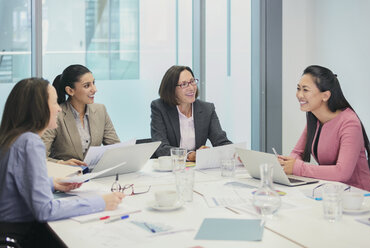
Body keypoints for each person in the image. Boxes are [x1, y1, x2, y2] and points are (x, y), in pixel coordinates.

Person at [0, 78, 125, 246]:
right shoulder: (30, 142)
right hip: (21, 235)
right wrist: (101, 202)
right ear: (39, 109)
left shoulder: (14, 137)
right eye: (54, 103)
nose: (59, 108)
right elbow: (45, 210)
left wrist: (52, 183)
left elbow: (16, 182)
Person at [278, 65, 370, 192]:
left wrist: (297, 168)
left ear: (325, 95)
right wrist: (287, 163)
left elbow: (342, 173)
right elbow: (297, 153)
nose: (299, 95)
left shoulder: (350, 123)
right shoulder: (314, 118)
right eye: (298, 89)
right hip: (332, 192)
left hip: (359, 196)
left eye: (305, 90)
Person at [42, 64, 120, 166]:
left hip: (94, 176)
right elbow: (39, 157)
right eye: (87, 85)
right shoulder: (56, 116)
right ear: (70, 91)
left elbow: (115, 148)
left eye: (93, 83)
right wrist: (62, 163)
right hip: (66, 177)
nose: (94, 89)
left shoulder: (100, 110)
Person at [151, 65, 232, 161]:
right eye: (184, 84)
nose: (191, 88)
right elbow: (161, 148)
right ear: (171, 89)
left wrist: (235, 153)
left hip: (196, 170)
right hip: (169, 169)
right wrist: (190, 155)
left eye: (192, 81)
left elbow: (221, 141)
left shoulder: (207, 109)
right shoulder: (159, 107)